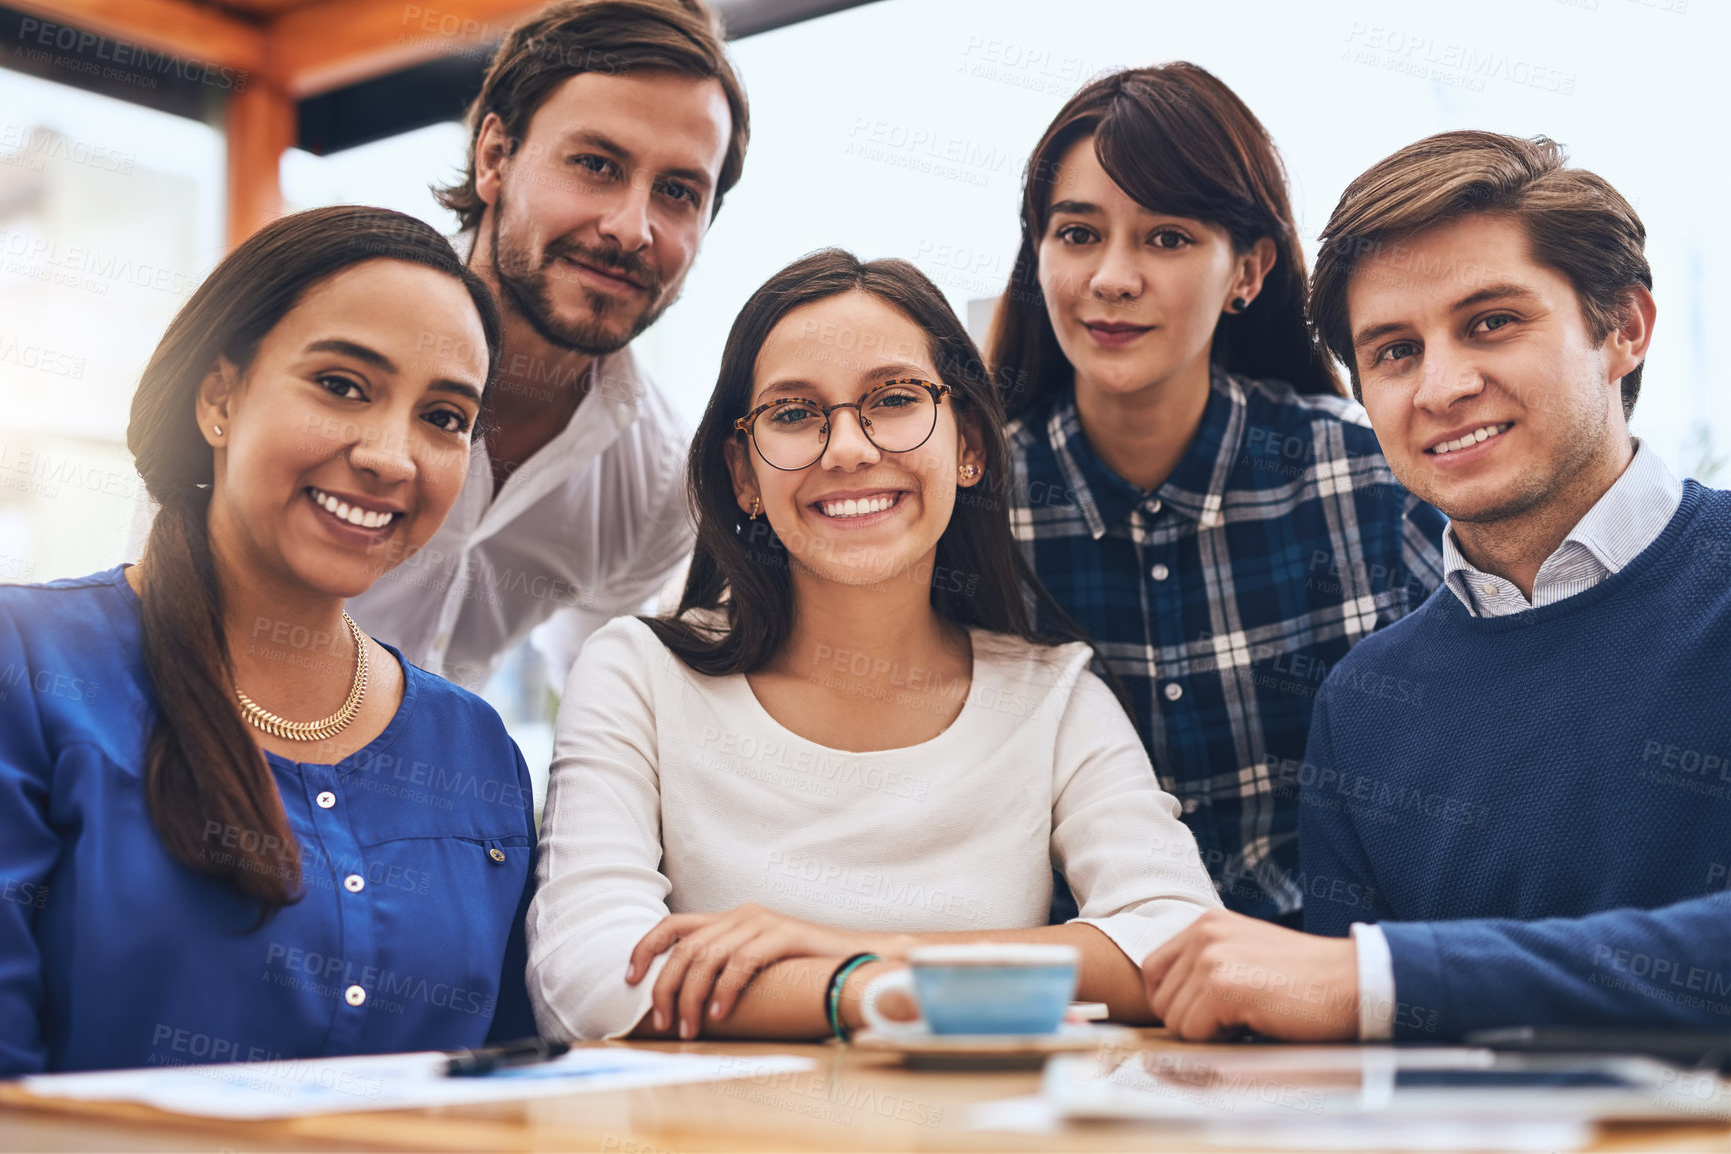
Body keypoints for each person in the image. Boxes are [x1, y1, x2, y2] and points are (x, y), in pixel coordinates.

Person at [525, 250, 1221, 1042]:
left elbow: (1181, 946)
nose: (847, 448)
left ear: (969, 446)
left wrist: (865, 953)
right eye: (793, 413)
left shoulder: (1052, 695)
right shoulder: (639, 674)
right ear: (743, 474)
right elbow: (584, 978)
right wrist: (859, 991)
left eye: (892, 399)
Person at [1140, 131, 1730, 1042]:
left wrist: (1387, 976)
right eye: (1393, 351)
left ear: (1623, 328)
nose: (1443, 386)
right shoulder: (1365, 706)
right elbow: (1350, 1047)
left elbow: (1360, 986)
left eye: (1491, 321)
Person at [0, 206, 538, 1075]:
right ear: (220, 396)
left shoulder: (474, 747)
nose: (392, 456)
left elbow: (510, 1079)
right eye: (342, 385)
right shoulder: (27, 663)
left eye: (444, 416)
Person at [989, 63, 1446, 924]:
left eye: (1165, 238)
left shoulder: (1363, 476)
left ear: (1248, 270)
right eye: (1077, 234)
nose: (1112, 278)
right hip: (1079, 1005)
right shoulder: (976, 507)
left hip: (1331, 997)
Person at [344, 0, 751, 692]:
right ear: (495, 156)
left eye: (678, 191)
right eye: (596, 163)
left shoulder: (656, 480)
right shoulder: (330, 338)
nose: (631, 228)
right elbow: (176, 602)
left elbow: (597, 691)